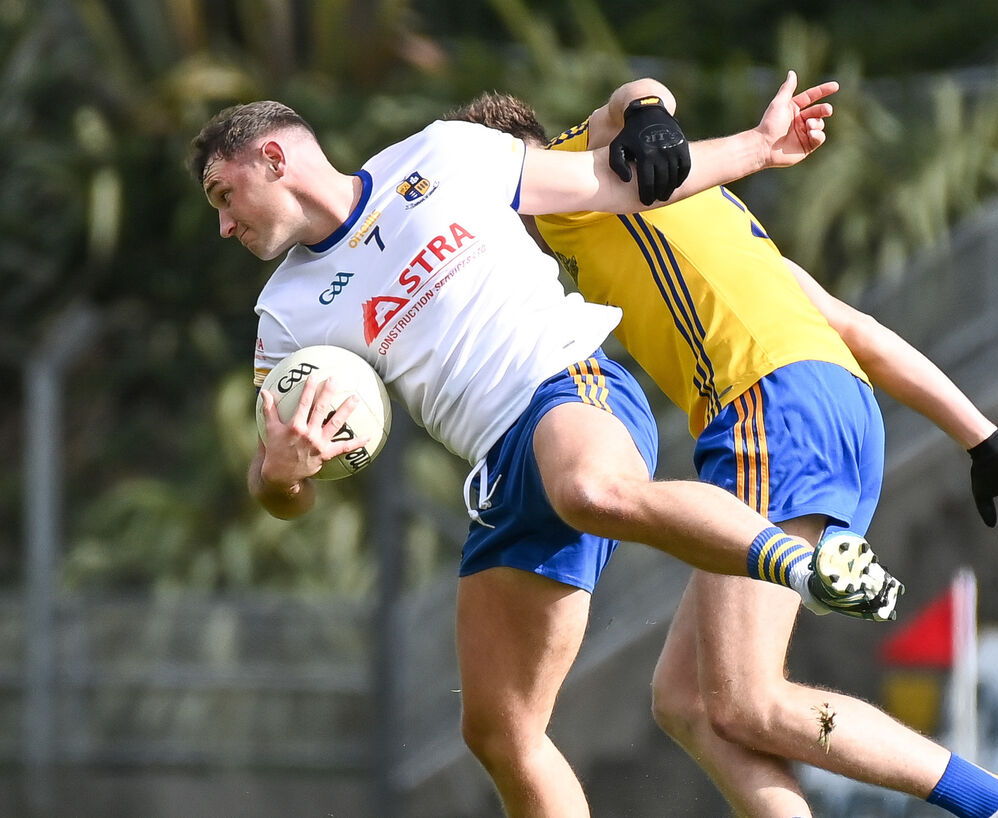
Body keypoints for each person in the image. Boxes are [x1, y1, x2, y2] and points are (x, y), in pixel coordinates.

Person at [188, 73, 909, 818]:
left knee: (591, 491)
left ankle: (807, 566)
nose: (223, 225)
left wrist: (757, 148)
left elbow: (614, 183)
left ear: (273, 159)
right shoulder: (285, 315)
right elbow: (274, 489)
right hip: (499, 471)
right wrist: (282, 474)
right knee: (501, 731)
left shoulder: (442, 155)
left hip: (569, 384)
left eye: (222, 195)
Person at [446, 81, 998, 818]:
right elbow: (856, 328)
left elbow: (630, 98)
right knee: (686, 701)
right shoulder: (694, 208)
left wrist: (647, 116)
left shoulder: (577, 177)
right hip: (828, 403)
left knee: (747, 698)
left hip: (768, 406)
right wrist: (985, 441)